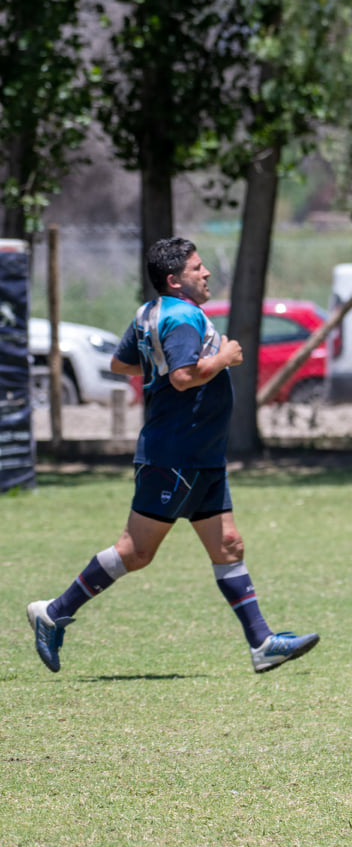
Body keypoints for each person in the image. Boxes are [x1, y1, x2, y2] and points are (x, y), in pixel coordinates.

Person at [26, 239, 319, 676]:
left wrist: (164, 365)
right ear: (174, 279)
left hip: (199, 453)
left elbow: (122, 364)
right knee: (136, 551)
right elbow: (183, 378)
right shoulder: (182, 316)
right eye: (197, 268)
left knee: (228, 544)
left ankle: (262, 643)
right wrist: (224, 357)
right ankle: (53, 612)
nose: (205, 274)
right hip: (175, 454)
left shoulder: (151, 312)